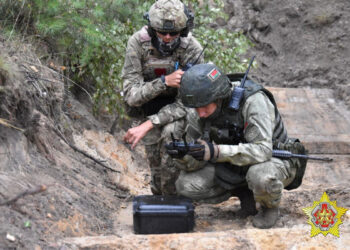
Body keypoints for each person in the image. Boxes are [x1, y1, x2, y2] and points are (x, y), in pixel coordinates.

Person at [167, 63, 307, 228]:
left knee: (261, 178)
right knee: (185, 185)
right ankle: (244, 192)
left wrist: (216, 151)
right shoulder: (198, 107)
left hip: (273, 159)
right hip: (233, 163)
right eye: (196, 108)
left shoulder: (253, 101)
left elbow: (263, 150)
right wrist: (185, 155)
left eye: (204, 108)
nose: (200, 113)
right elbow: (196, 161)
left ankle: (269, 207)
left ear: (219, 98)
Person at [122, 0, 204, 195]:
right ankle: (160, 198)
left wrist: (151, 123)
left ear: (182, 32)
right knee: (156, 171)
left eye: (173, 33)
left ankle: (175, 198)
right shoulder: (137, 43)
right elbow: (131, 96)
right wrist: (164, 82)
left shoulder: (192, 49)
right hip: (147, 108)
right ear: (152, 29)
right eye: (161, 32)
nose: (167, 38)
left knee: (171, 136)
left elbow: (191, 101)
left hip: (179, 112)